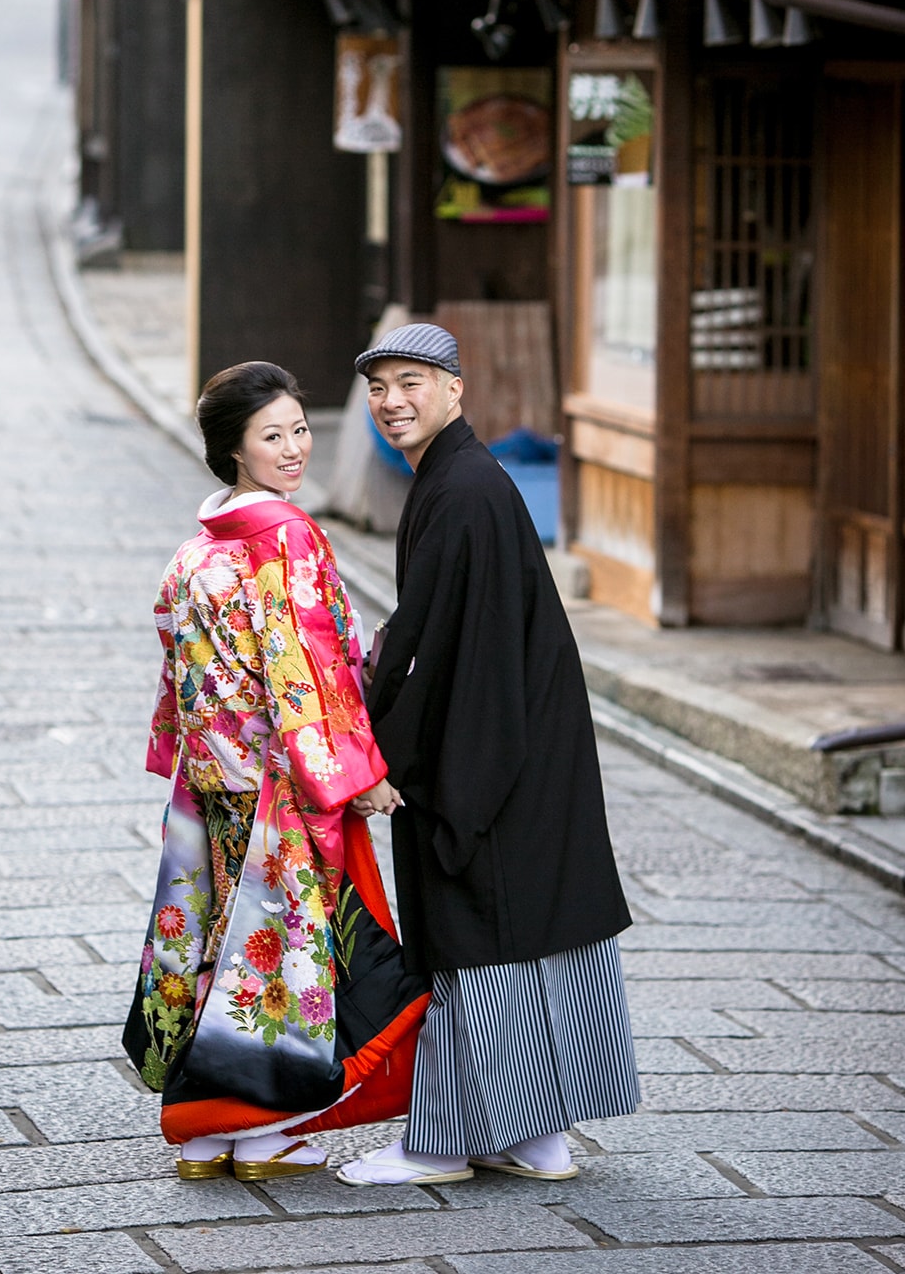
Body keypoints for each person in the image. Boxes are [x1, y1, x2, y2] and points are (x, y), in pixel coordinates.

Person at [338, 323, 640, 1187]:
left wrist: (383, 756)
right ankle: (535, 1133)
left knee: (474, 934)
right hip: (525, 743)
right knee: (536, 934)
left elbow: (432, 649)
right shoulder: (462, 479)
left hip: (486, 748)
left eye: (411, 383)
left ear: (456, 391)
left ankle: (440, 1144)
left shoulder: (462, 489)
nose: (392, 401)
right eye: (379, 388)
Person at [124, 361, 428, 1182]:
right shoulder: (286, 539)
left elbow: (178, 674)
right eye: (273, 435)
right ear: (235, 450)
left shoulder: (193, 553)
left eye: (300, 429)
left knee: (221, 942)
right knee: (282, 955)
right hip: (281, 786)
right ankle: (260, 1132)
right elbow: (308, 668)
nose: (295, 448)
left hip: (215, 782)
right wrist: (351, 771)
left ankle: (203, 1132)